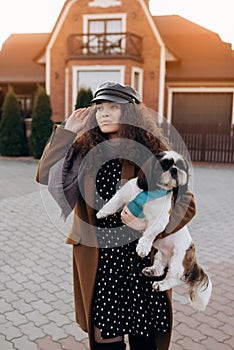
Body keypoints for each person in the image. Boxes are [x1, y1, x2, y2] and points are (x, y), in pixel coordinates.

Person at [36, 82, 196, 350]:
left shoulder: (154, 152)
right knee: (104, 341)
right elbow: (43, 174)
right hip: (103, 262)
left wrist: (150, 226)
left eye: (114, 107)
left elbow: (187, 204)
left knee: (145, 340)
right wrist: (67, 132)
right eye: (100, 108)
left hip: (141, 259)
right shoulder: (84, 150)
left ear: (131, 113)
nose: (104, 114)